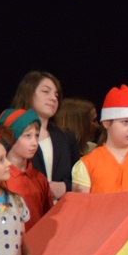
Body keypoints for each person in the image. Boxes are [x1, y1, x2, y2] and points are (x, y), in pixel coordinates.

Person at [11, 71, 81, 201]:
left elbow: (80, 178)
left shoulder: (66, 137)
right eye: (46, 91)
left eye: (56, 95)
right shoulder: (11, 132)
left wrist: (65, 186)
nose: (53, 98)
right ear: (28, 93)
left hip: (62, 209)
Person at [0, 109, 52, 230]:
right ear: (11, 139)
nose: (34, 142)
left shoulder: (40, 179)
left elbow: (47, 217)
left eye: (36, 135)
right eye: (27, 136)